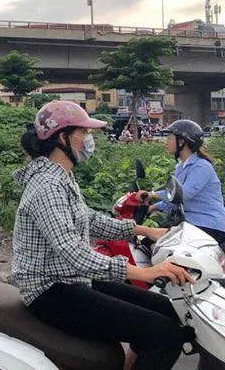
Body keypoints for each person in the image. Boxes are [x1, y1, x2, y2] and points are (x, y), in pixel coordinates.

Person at [13, 100, 193, 370]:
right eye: (84, 133)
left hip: (71, 279)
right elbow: (74, 253)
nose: (89, 139)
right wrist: (144, 273)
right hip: (51, 290)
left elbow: (88, 218)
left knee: (167, 310)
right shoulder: (48, 185)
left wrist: (144, 230)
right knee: (163, 335)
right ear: (62, 137)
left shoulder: (61, 176)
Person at [138, 119, 225, 244]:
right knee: (148, 242)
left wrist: (152, 194)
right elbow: (175, 200)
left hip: (208, 225)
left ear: (182, 141)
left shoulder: (201, 166)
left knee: (158, 244)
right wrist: (153, 207)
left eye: (169, 138)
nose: (166, 141)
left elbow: (183, 194)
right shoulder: (181, 167)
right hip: (190, 223)